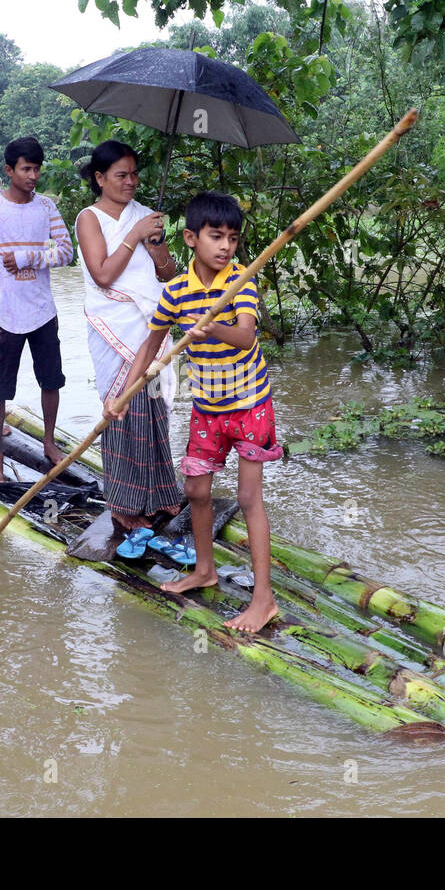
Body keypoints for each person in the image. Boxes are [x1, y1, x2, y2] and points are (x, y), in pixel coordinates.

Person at [107, 191, 282, 633]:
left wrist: (212, 326)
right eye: (215, 236)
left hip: (249, 406)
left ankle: (264, 599)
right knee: (197, 490)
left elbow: (244, 337)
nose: (225, 247)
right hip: (208, 409)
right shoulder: (177, 291)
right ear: (190, 238)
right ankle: (204, 570)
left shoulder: (241, 280)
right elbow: (150, 345)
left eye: (232, 238)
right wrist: (123, 397)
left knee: (247, 499)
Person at [0, 136, 73, 483]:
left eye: (37, 169)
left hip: (42, 311)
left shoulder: (46, 207)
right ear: (9, 170)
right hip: (5, 314)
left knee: (51, 380)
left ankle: (49, 443)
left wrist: (29, 257)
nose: (32, 176)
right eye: (26, 169)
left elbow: (66, 252)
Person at [75, 140, 183, 530]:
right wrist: (134, 234)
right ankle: (123, 504)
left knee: (153, 407)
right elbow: (103, 275)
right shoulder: (89, 218)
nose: (131, 182)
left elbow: (171, 276)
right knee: (121, 411)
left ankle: (159, 494)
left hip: (150, 325)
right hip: (112, 327)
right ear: (100, 178)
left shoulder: (145, 217)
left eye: (135, 174)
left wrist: (156, 247)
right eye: (122, 175)